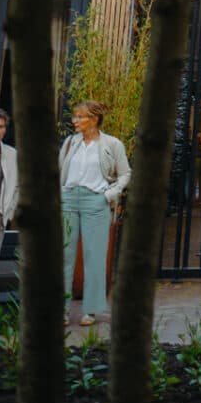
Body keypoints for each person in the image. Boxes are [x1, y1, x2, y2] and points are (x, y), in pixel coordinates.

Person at [59, 100, 131, 327]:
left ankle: (90, 311)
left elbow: (125, 173)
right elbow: (60, 170)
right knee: (63, 256)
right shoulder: (70, 143)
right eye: (75, 117)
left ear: (94, 119)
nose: (75, 121)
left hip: (96, 201)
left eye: (80, 117)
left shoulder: (112, 144)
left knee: (95, 257)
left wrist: (110, 195)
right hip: (69, 199)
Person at [0, 108, 17, 231]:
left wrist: (9, 212)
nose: (0, 130)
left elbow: (18, 186)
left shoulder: (12, 154)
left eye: (2, 127)